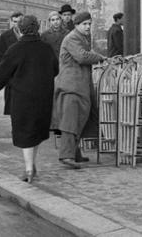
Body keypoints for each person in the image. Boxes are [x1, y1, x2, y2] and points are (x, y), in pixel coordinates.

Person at [0, 15, 58, 183]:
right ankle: (32, 166)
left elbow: (2, 74)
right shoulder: (46, 49)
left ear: (19, 29)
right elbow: (55, 69)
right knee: (37, 131)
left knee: (25, 131)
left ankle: (28, 169)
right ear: (38, 28)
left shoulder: (15, 49)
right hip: (43, 98)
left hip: (22, 98)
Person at [51, 11, 106, 169]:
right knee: (70, 121)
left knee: (80, 119)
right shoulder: (73, 38)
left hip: (79, 86)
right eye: (84, 24)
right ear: (76, 25)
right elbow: (82, 57)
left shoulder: (82, 37)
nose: (88, 26)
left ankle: (75, 153)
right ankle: (66, 155)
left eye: (89, 24)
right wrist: (99, 57)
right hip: (70, 86)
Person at [0, 11, 23, 115]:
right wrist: (0, 76)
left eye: (19, 21)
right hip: (11, 76)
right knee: (12, 105)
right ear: (11, 22)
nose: (17, 24)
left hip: (25, 75)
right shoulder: (5, 36)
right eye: (15, 22)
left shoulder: (29, 35)